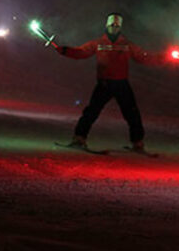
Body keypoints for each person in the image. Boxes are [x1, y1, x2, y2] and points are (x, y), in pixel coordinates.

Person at [53, 12, 166, 152]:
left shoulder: (126, 44)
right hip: (104, 84)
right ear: (107, 26)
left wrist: (165, 58)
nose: (114, 27)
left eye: (117, 26)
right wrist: (65, 50)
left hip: (121, 84)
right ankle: (79, 138)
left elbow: (145, 57)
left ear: (120, 28)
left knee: (132, 114)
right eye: (112, 25)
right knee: (91, 112)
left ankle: (138, 142)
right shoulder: (98, 43)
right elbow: (81, 52)